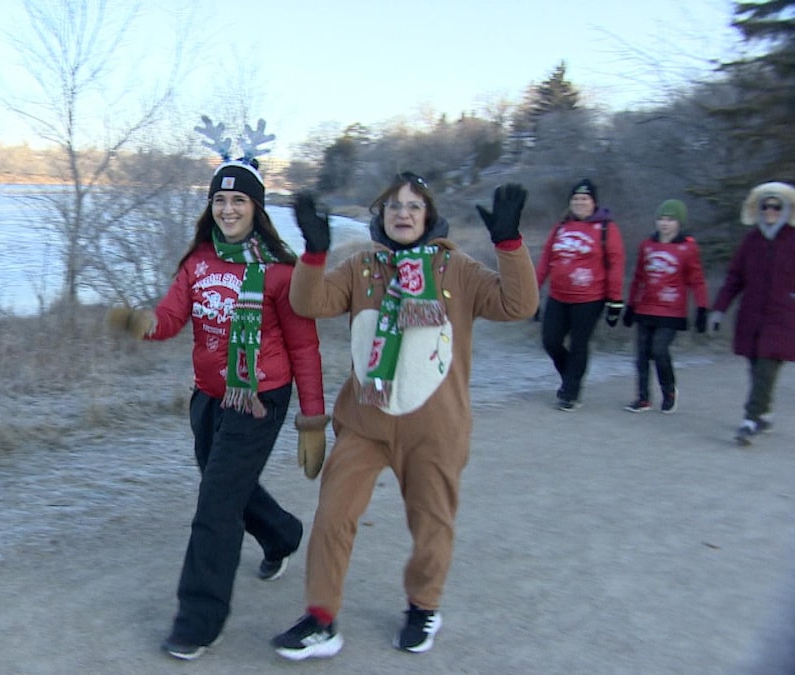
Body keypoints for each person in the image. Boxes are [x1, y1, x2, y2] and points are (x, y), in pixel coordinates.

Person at [270, 174, 537, 660]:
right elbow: (308, 302)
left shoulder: (455, 268)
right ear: (381, 216)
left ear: (428, 215)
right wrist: (312, 253)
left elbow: (518, 305)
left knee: (432, 524)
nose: (403, 213)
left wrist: (509, 244)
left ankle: (423, 606)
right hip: (366, 423)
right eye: (393, 205)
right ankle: (321, 618)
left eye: (414, 206)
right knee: (333, 516)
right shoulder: (362, 266)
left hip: (435, 429)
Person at [106, 133, 328, 660]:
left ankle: (199, 621)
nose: (228, 209)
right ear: (211, 207)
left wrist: (313, 420)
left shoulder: (280, 271)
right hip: (208, 396)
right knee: (225, 486)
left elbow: (305, 347)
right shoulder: (199, 263)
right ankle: (281, 534)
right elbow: (170, 318)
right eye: (220, 200)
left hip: (259, 399)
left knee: (215, 505)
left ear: (256, 207)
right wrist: (141, 323)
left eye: (239, 200)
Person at [708, 181, 795, 445]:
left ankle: (750, 419)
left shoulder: (793, 239)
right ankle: (764, 413)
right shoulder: (752, 240)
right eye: (765, 206)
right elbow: (735, 278)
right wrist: (719, 310)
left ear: (786, 209)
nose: (770, 211)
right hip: (751, 315)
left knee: (767, 365)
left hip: (783, 316)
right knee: (756, 365)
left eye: (775, 206)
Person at [535, 178, 626, 411]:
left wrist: (615, 300)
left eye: (585, 199)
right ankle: (570, 378)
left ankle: (571, 392)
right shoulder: (561, 226)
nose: (580, 203)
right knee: (550, 341)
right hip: (558, 295)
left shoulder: (606, 228)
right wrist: (533, 290)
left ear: (593, 202)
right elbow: (546, 260)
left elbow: (616, 264)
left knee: (579, 344)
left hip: (589, 298)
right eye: (576, 199)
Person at [621, 199, 709, 414]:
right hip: (645, 307)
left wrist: (702, 308)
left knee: (659, 350)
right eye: (661, 219)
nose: (665, 224)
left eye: (670, 220)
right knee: (641, 354)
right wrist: (630, 306)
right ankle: (643, 398)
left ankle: (669, 391)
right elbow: (639, 277)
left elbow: (696, 280)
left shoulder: (687, 247)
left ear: (679, 223)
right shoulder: (647, 245)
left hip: (671, 310)